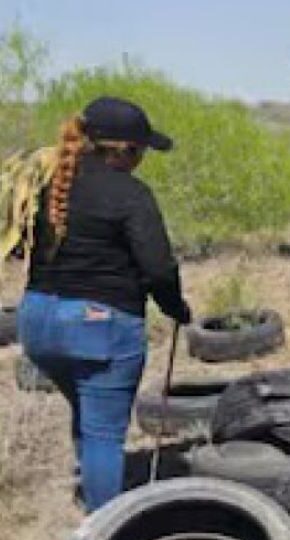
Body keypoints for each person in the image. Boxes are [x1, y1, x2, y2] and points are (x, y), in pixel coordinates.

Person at [12, 97, 191, 512]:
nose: (143, 159)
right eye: (142, 150)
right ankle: (104, 535)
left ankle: (92, 489)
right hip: (97, 325)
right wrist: (175, 307)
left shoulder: (46, 182)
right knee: (105, 433)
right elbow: (158, 267)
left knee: (90, 415)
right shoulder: (130, 193)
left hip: (37, 322)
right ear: (125, 150)